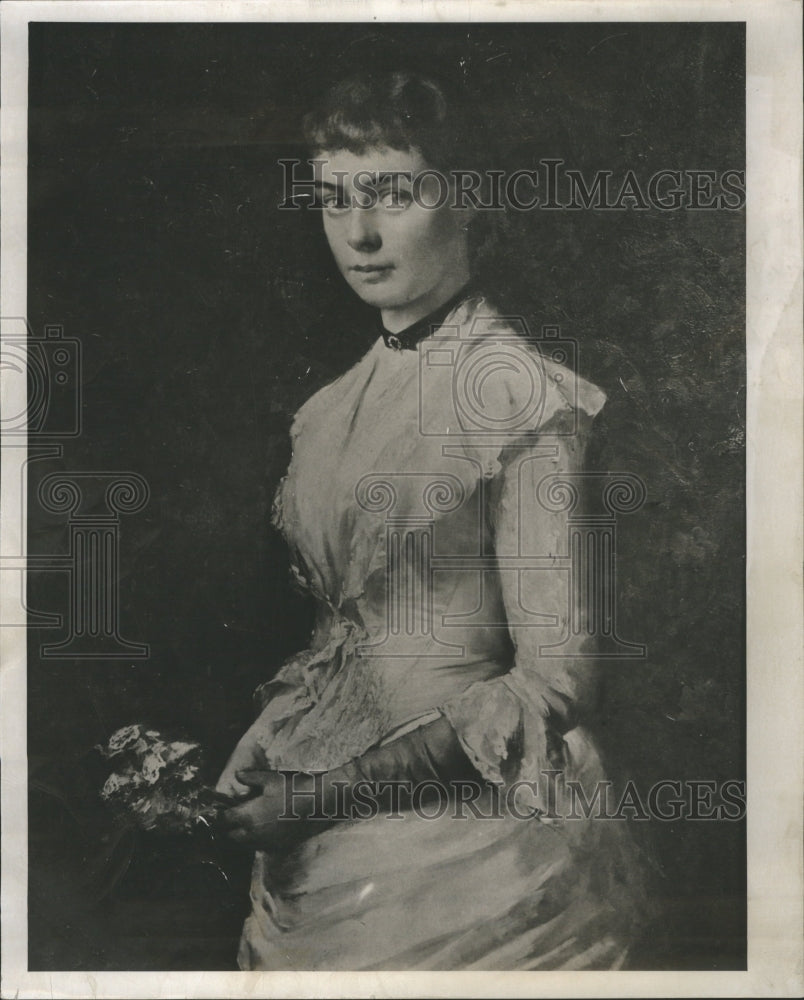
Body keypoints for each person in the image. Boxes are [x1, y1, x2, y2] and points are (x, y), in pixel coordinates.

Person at [216, 70, 647, 971]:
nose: (360, 235)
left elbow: (556, 681)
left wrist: (322, 797)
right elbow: (351, 630)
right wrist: (266, 746)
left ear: (472, 201)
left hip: (479, 846)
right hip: (319, 839)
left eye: (395, 194)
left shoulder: (523, 398)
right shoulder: (328, 411)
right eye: (336, 201)